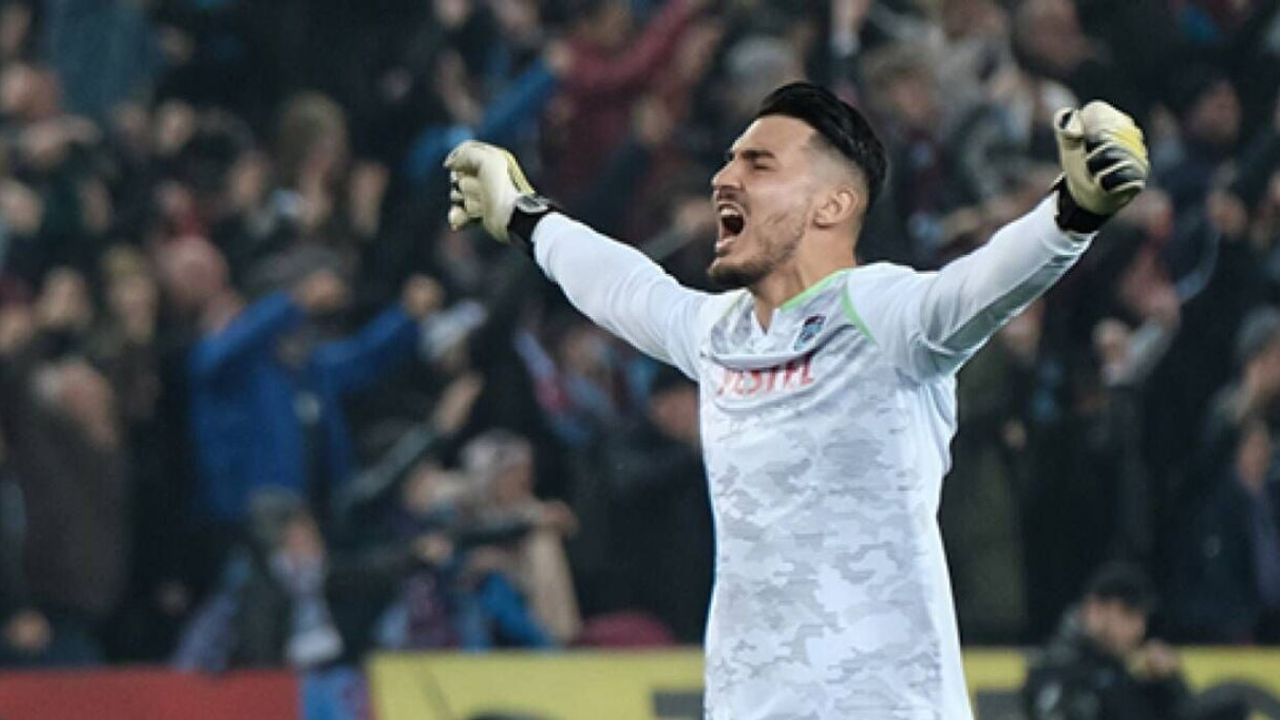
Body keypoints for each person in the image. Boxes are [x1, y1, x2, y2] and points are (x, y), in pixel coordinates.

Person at [444, 81, 1148, 718]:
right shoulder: (720, 334)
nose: (724, 178)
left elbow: (979, 285)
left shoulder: (882, 312)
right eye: (729, 161)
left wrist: (1072, 212)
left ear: (832, 204)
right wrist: (525, 216)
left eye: (759, 164)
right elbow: (625, 287)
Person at [1023, 562, 1245, 720]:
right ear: (1095, 609)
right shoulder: (1057, 670)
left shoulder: (1122, 675)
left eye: (1143, 618)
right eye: (1129, 614)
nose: (1139, 628)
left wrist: (1167, 683)